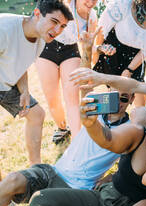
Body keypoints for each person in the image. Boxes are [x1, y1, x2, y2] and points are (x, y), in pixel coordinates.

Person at [0, 87, 134, 206]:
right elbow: (86, 90)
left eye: (124, 98)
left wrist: (111, 177)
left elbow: (131, 166)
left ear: (132, 100)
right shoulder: (94, 112)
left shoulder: (129, 130)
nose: (118, 103)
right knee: (12, 179)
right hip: (53, 170)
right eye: (114, 97)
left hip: (73, 187)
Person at [0, 0, 72, 186]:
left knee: (37, 114)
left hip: (4, 83)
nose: (58, 29)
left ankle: (35, 170)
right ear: (37, 13)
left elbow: (22, 63)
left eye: (63, 26)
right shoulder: (0, 29)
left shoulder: (41, 38)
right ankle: (2, 192)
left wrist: (25, 91)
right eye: (54, 21)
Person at [35, 0, 98, 143]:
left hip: (70, 51)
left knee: (72, 98)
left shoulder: (92, 17)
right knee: (52, 99)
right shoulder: (67, 3)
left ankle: (77, 142)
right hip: (47, 48)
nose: (91, 2)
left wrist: (90, 47)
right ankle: (62, 128)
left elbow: (90, 47)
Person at [92, 0, 146, 106]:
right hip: (114, 52)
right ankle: (109, 120)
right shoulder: (124, 4)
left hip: (137, 59)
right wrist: (98, 51)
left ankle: (138, 121)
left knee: (140, 103)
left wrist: (129, 70)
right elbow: (102, 30)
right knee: (114, 100)